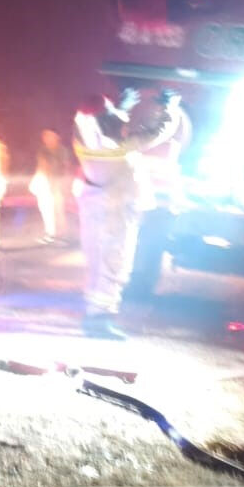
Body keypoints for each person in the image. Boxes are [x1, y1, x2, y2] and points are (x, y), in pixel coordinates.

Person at [74, 91, 178, 337]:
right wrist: (170, 109)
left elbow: (100, 123)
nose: (119, 121)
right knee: (114, 265)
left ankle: (93, 316)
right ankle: (100, 320)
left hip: (99, 212)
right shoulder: (117, 149)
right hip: (116, 216)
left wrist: (120, 107)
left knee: (97, 265)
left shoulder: (88, 141)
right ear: (103, 121)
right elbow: (156, 133)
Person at [125, 90, 192, 300]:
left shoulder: (162, 137)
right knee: (145, 246)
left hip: (156, 203)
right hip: (152, 201)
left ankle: (141, 286)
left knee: (147, 246)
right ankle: (141, 284)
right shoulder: (163, 137)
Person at [32, 128, 72, 244]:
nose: (47, 139)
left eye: (50, 136)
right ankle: (50, 233)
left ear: (57, 137)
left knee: (58, 209)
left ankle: (61, 235)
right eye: (45, 136)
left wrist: (65, 184)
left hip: (57, 183)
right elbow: (41, 167)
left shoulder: (62, 151)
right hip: (45, 183)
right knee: (46, 209)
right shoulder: (43, 150)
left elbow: (66, 166)